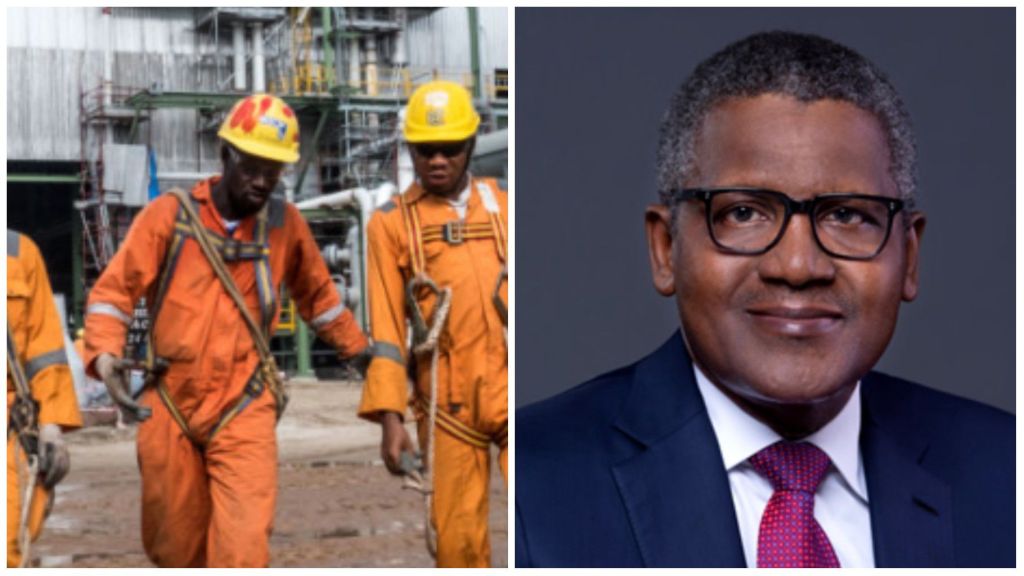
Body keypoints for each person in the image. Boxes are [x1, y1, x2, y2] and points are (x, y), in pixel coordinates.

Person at [516, 31, 1013, 568]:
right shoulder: (529, 487)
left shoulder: (1007, 473)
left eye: (847, 215)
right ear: (665, 249)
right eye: (744, 213)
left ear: (909, 257)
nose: (797, 267)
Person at [84, 94, 369, 567]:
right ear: (226, 156)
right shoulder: (168, 217)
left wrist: (361, 353)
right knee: (175, 550)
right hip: (170, 399)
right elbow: (114, 293)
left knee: (242, 548)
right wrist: (105, 356)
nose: (262, 181)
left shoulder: (286, 225)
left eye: (274, 170)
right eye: (252, 166)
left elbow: (320, 301)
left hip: (243, 401)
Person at [358, 80, 508, 568]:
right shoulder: (390, 224)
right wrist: (390, 417)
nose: (437, 161)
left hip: (516, 397)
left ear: (470, 145)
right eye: (425, 151)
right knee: (457, 547)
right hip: (448, 406)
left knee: (552, 522)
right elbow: (385, 327)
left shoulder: (506, 207)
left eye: (449, 150)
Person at [7, 229, 83, 567]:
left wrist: (51, 427)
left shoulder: (19, 251)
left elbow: (45, 350)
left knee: (9, 540)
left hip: (9, 419)